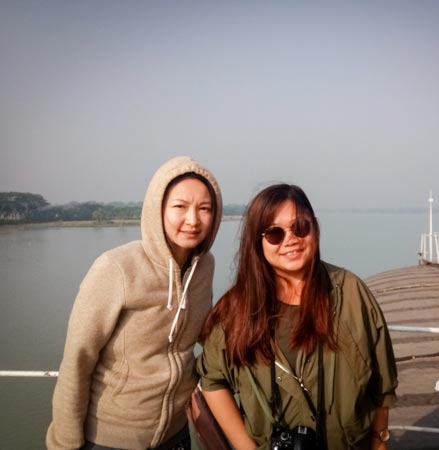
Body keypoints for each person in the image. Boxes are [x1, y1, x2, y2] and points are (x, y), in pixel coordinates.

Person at [197, 184, 397, 450]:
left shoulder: (350, 293)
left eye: (300, 227)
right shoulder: (237, 310)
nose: (290, 239)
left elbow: (382, 381)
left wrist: (379, 439)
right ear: (257, 242)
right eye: (274, 233)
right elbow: (212, 379)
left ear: (315, 228)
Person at [46, 156, 223, 450]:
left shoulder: (204, 267)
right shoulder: (116, 268)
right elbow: (78, 361)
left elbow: (203, 334)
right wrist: (65, 444)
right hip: (110, 438)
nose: (193, 220)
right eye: (180, 207)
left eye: (204, 209)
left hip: (176, 435)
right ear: (158, 209)